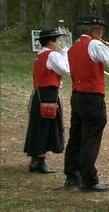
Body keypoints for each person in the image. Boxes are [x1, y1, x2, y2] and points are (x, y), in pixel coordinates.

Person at [64, 16, 109, 192]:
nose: (101, 34)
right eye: (101, 31)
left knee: (76, 136)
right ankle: (89, 179)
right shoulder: (94, 45)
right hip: (92, 96)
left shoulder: (72, 48)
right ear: (94, 30)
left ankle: (71, 176)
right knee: (91, 137)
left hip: (77, 95)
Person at [24, 28, 70, 173]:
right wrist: (65, 54)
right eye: (56, 40)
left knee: (39, 125)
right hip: (48, 94)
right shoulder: (51, 56)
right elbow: (66, 71)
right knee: (45, 126)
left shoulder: (41, 55)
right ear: (50, 42)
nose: (58, 43)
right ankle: (39, 161)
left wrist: (61, 53)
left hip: (40, 93)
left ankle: (36, 159)